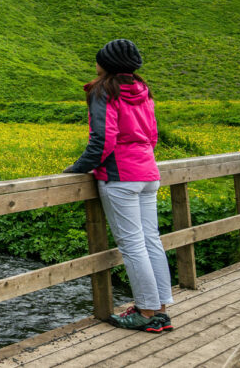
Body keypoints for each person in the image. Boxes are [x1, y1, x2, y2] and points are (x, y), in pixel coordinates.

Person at [64, 39, 175, 332]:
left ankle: (146, 312)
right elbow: (152, 135)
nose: (95, 64)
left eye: (98, 60)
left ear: (107, 65)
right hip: (147, 172)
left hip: (121, 176)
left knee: (133, 245)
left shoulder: (103, 91)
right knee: (151, 241)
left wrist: (79, 167)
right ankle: (160, 309)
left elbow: (103, 139)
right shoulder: (142, 89)